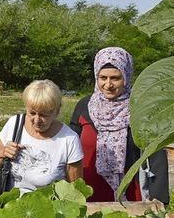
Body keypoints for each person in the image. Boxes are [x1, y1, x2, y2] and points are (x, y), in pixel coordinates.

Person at [69, 47, 169, 202]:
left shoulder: (139, 109)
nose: (108, 84)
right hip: (87, 192)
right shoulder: (85, 106)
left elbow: (156, 155)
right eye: (103, 78)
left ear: (126, 77)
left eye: (115, 78)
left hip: (129, 193)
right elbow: (67, 145)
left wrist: (159, 199)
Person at [0, 80, 83, 194]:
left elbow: (76, 189)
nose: (37, 120)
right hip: (12, 205)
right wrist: (3, 153)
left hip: (49, 207)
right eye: (32, 113)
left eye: (44, 115)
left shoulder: (69, 139)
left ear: (57, 111)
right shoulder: (14, 124)